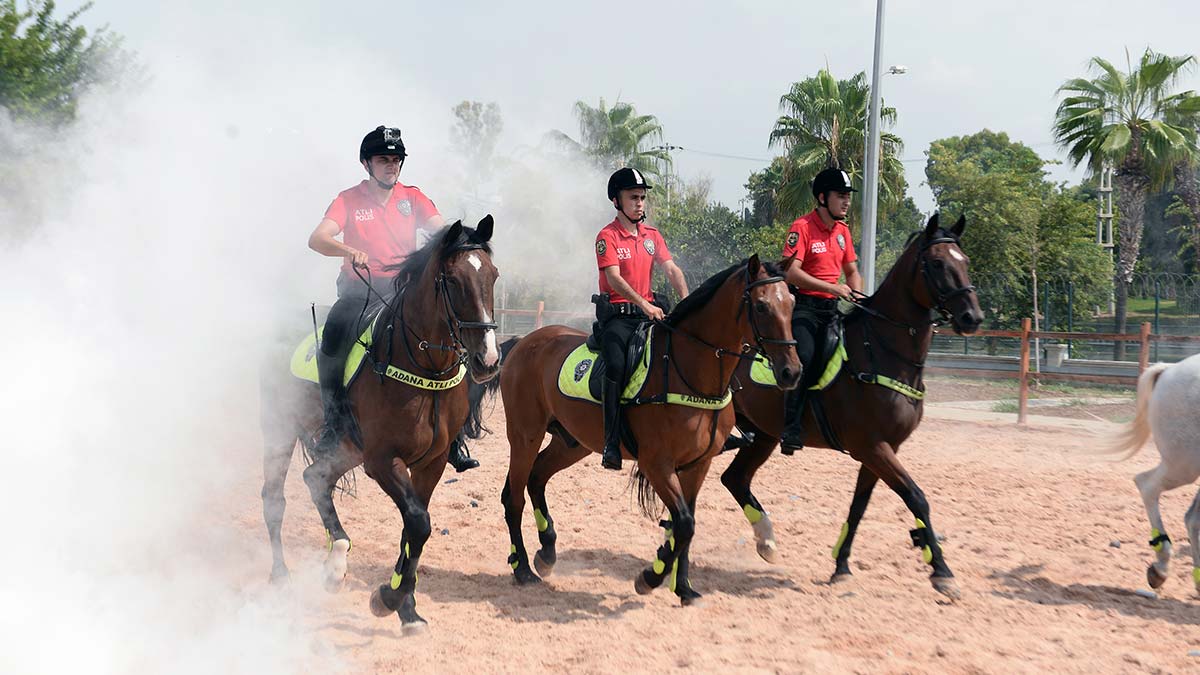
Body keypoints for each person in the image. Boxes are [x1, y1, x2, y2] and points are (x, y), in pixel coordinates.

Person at [307, 125, 478, 472]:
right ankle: (333, 423)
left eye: (396, 159)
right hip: (361, 291)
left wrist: (460, 241)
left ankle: (455, 437)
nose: (391, 165)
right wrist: (347, 249)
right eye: (383, 159)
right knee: (334, 338)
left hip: (405, 291)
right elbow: (318, 238)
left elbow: (440, 230)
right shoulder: (348, 200)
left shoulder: (413, 197)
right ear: (366, 163)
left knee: (454, 337)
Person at [593, 167, 689, 470]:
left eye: (642, 197)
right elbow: (614, 278)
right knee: (617, 366)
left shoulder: (652, 236)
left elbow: (671, 269)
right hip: (619, 319)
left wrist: (687, 303)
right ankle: (610, 443)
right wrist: (643, 305)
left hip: (650, 315)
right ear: (616, 201)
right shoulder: (606, 237)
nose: (640, 203)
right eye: (633, 197)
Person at [778, 167, 864, 453]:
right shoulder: (801, 227)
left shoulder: (843, 232)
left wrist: (856, 291)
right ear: (823, 197)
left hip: (832, 310)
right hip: (805, 310)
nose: (847, 202)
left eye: (847, 197)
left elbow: (852, 271)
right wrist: (832, 288)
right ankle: (790, 428)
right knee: (805, 357)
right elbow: (790, 272)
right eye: (841, 196)